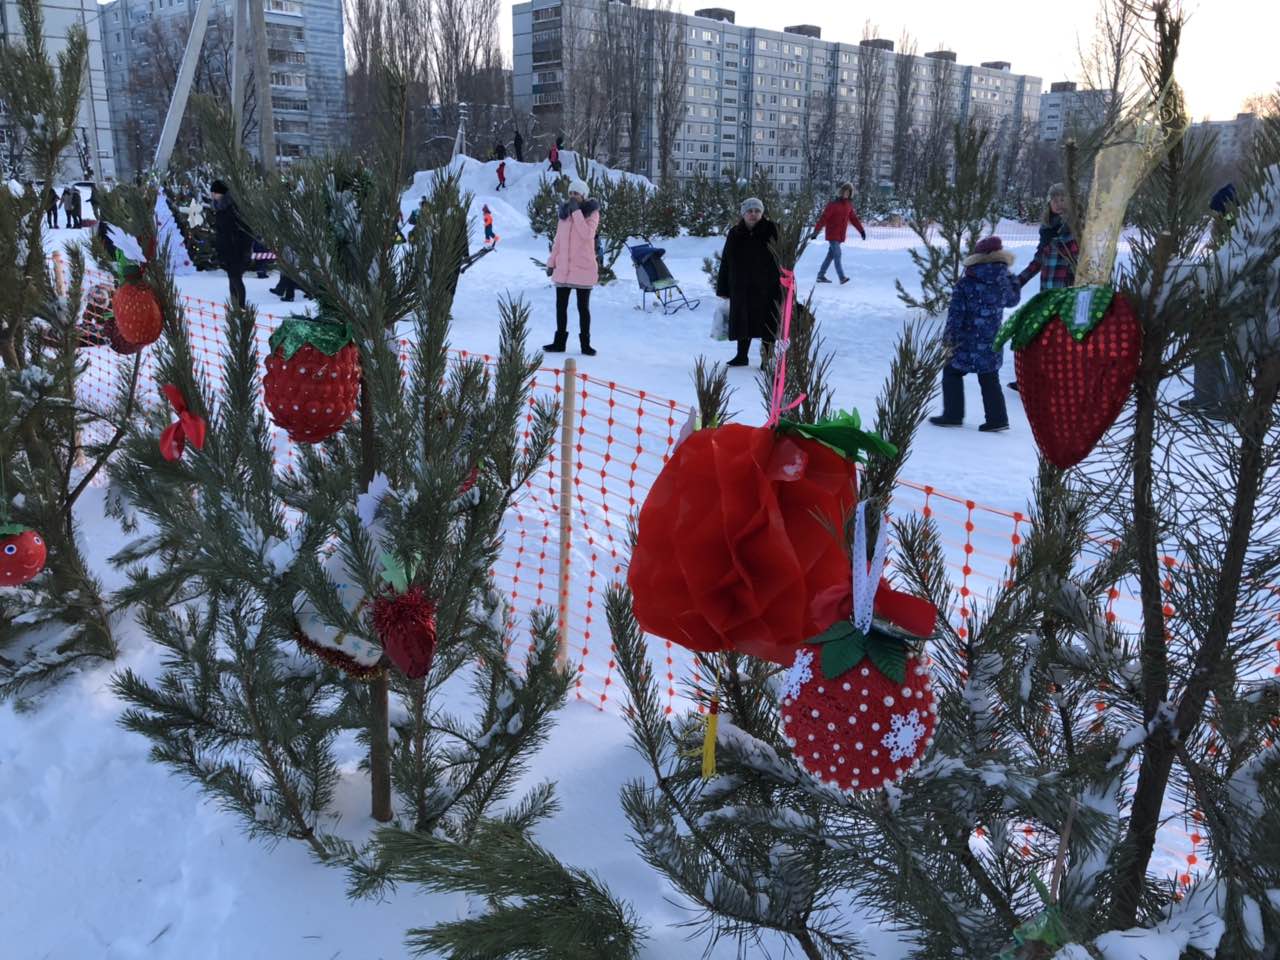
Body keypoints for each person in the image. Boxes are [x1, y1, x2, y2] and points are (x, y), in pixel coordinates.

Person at [929, 236, 1021, 432]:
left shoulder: (967, 282)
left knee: (952, 372)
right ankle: (997, 419)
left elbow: (955, 315)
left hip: (965, 340)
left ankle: (953, 415)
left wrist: (949, 340)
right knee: (989, 377)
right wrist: (1013, 280)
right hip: (991, 340)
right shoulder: (1002, 281)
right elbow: (1012, 301)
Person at [1009, 182, 1077, 390]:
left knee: (1060, 338)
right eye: (1054, 199)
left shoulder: (1075, 227)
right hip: (1047, 290)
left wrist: (1059, 239)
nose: (1058, 203)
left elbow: (1076, 255)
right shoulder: (1047, 229)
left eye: (1062, 199)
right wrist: (1019, 280)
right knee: (1041, 336)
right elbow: (1039, 259)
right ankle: (1033, 379)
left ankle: (1058, 381)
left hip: (1066, 290)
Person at [716, 197, 781, 369]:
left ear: (762, 213)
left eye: (757, 211)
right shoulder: (735, 232)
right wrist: (723, 287)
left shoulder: (772, 229)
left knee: (768, 322)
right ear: (743, 213)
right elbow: (726, 261)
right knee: (743, 320)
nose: (753, 214)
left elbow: (784, 256)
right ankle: (741, 356)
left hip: (767, 286)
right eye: (749, 211)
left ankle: (766, 359)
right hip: (741, 285)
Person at [543, 178, 600, 357]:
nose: (573, 197)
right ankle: (559, 342)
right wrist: (551, 263)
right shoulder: (564, 215)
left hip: (583, 268)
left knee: (583, 308)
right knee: (561, 307)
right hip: (564, 269)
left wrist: (576, 212)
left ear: (583, 195)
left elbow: (587, 235)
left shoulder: (592, 213)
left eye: (576, 193)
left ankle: (586, 344)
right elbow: (558, 241)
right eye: (570, 194)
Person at [811, 181, 865, 284]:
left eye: (848, 192)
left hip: (840, 235)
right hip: (832, 235)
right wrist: (816, 231)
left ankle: (820, 275)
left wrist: (861, 231)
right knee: (837, 255)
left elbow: (854, 219)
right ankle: (842, 277)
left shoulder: (848, 205)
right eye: (845, 191)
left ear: (850, 194)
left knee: (830, 256)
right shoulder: (833, 205)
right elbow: (824, 218)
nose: (846, 194)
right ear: (841, 192)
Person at [211, 178, 251, 308]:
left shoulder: (233, 208)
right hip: (226, 249)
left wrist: (243, 248)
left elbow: (245, 230)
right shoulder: (219, 208)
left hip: (236, 250)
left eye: (215, 192)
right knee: (231, 278)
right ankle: (235, 307)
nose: (213, 195)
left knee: (236, 278)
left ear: (222, 193)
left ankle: (241, 307)